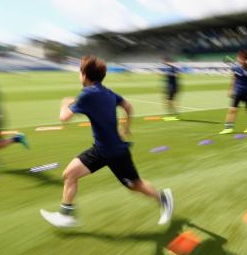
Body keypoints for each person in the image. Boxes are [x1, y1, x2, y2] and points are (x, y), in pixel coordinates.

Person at [40, 55, 173, 228]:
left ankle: (164, 199)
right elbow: (128, 106)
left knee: (134, 185)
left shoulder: (87, 94)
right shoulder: (107, 92)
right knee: (70, 174)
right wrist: (126, 127)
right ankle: (66, 215)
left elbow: (64, 118)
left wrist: (65, 103)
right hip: (104, 149)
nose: (79, 75)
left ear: (85, 75)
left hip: (112, 151)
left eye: (80, 71)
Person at [219, 50, 247, 134]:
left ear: (245, 59)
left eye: (242, 58)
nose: (239, 59)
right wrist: (230, 90)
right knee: (232, 110)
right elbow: (233, 79)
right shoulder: (235, 68)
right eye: (239, 58)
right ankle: (228, 128)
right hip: (237, 92)